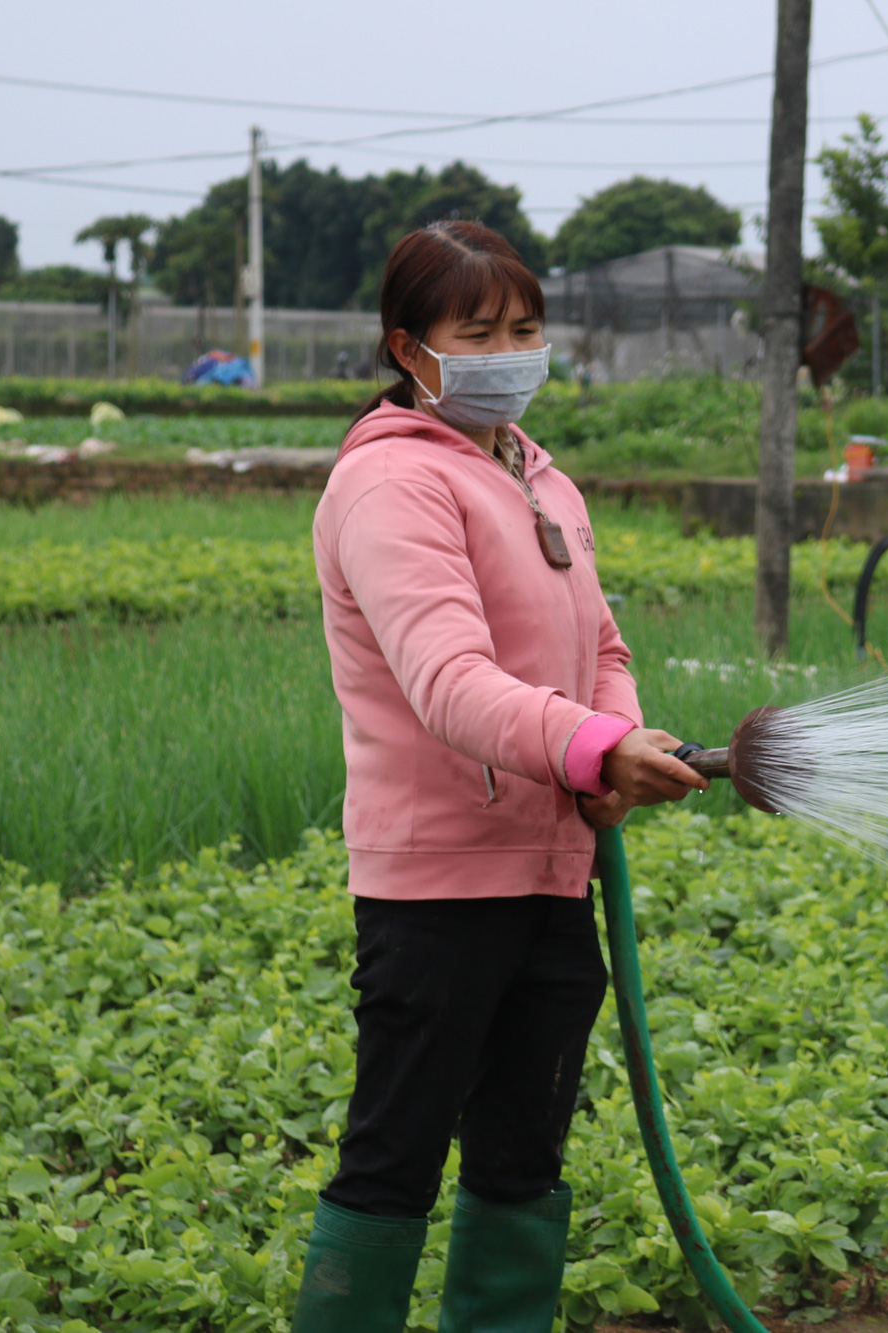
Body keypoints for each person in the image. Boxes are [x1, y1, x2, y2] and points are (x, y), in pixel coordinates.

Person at [296, 219, 706, 1332]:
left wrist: (613, 745)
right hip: (436, 887)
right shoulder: (391, 486)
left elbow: (603, 648)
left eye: (524, 328)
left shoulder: (533, 472)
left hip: (549, 870)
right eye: (477, 332)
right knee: (394, 1159)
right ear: (407, 347)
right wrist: (588, 746)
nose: (509, 351)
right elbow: (447, 683)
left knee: (523, 1158)